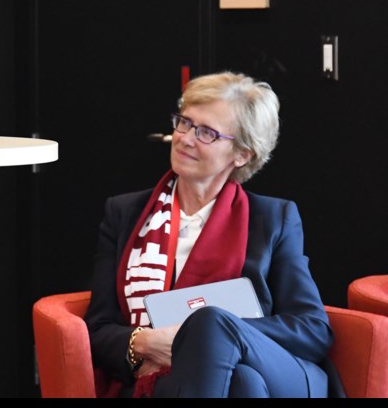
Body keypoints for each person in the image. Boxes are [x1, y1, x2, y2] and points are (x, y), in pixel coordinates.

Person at [84, 72, 334, 398]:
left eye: (206, 133)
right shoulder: (125, 213)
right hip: (170, 378)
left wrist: (211, 338)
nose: (185, 137)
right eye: (184, 122)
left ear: (242, 154)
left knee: (211, 324)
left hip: (280, 373)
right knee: (244, 384)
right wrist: (142, 341)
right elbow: (96, 329)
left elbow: (313, 330)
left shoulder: (273, 219)